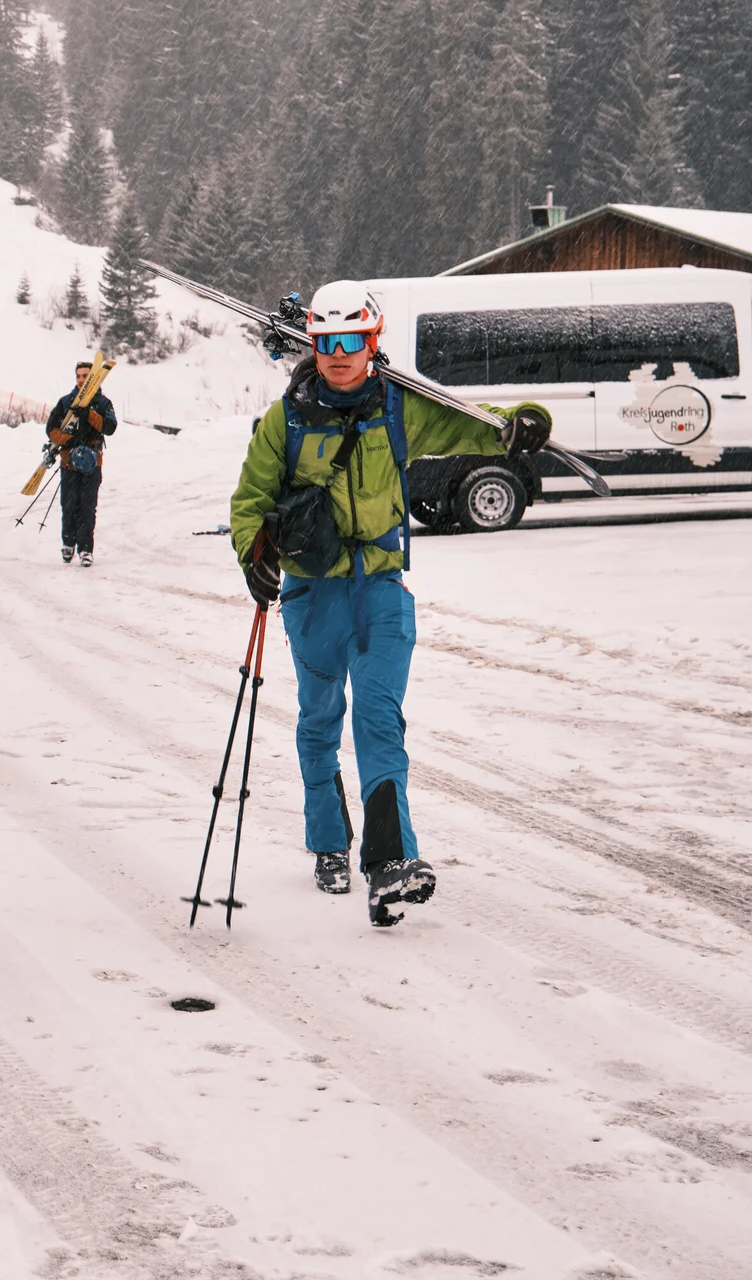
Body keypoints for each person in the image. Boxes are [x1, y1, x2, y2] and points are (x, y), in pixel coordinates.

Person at [228, 281, 552, 926]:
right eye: (326, 343)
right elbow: (249, 500)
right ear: (314, 346)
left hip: (380, 584)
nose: (339, 354)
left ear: (373, 344)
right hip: (312, 592)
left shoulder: (402, 407)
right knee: (320, 720)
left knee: (378, 717)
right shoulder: (284, 420)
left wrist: (524, 419)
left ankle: (389, 864)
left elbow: (482, 427)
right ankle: (328, 842)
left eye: (351, 341)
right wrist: (253, 554)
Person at [44, 362, 117, 566]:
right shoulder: (65, 402)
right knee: (68, 505)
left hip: (92, 462)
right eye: (79, 376)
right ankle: (68, 543)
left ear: (93, 378)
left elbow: (110, 427)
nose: (81, 380)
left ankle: (86, 549)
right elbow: (51, 428)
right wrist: (65, 440)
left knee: (87, 506)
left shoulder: (103, 403)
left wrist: (90, 415)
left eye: (86, 376)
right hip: (69, 462)